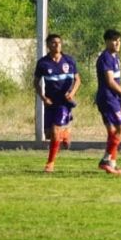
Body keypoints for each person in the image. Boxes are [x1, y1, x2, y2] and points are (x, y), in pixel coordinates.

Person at [33, 33, 81, 173]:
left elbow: (78, 80)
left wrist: (71, 93)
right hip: (50, 102)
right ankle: (65, 134)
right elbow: (36, 82)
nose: (57, 45)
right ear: (48, 45)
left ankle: (50, 163)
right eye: (53, 43)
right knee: (48, 134)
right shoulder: (43, 63)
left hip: (64, 102)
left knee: (54, 131)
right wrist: (43, 97)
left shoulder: (69, 61)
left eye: (59, 42)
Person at [95, 29, 121, 176]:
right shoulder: (105, 58)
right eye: (114, 40)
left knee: (113, 132)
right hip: (107, 98)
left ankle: (112, 164)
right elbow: (110, 82)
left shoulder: (115, 57)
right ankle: (106, 160)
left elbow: (116, 80)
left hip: (114, 99)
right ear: (106, 42)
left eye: (119, 40)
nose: (117, 43)